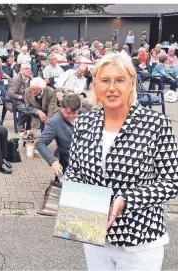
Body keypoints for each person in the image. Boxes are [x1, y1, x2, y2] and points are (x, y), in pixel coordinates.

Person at [64, 52, 178, 270]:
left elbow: (172, 182)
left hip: (140, 239)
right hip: (94, 233)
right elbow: (75, 170)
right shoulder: (85, 122)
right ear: (95, 85)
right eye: (105, 80)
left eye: (119, 80)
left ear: (132, 83)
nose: (112, 87)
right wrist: (75, 196)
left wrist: (127, 200)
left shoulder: (156, 124)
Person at [36, 94, 82, 184]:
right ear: (62, 108)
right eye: (68, 113)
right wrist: (53, 161)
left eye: (75, 113)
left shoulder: (86, 116)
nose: (72, 116)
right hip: (67, 162)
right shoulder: (54, 122)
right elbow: (40, 143)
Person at [8, 62, 33, 132]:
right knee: (27, 108)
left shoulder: (31, 78)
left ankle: (29, 126)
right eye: (26, 69)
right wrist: (21, 97)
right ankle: (20, 125)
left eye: (29, 69)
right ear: (21, 70)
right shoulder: (16, 79)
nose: (29, 70)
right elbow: (11, 94)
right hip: (16, 100)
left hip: (27, 100)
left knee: (37, 107)